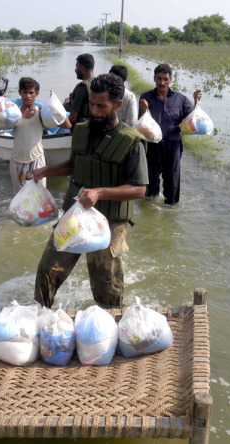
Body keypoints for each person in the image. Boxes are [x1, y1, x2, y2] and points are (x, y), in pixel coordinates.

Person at [27, 73, 148, 308]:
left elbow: (139, 189)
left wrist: (99, 193)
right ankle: (40, 318)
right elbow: (75, 165)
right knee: (47, 271)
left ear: (118, 105)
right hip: (76, 216)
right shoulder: (81, 130)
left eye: (101, 106)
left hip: (110, 222)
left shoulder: (131, 141)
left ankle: (109, 329)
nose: (94, 111)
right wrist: (45, 171)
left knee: (106, 285)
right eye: (92, 104)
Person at [0, 77, 71, 195]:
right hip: (16, 161)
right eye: (25, 92)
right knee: (20, 198)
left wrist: (55, 108)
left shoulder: (41, 113)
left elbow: (67, 125)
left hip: (36, 161)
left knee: (39, 197)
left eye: (31, 93)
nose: (28, 96)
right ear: (20, 93)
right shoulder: (13, 114)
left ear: (36, 94)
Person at [138, 64, 201, 205]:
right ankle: (149, 210)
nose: (162, 82)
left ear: (171, 80)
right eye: (159, 79)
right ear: (154, 78)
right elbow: (140, 123)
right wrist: (144, 110)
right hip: (152, 145)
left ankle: (170, 210)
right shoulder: (146, 97)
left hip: (173, 145)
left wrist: (196, 101)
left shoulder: (180, 99)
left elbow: (192, 118)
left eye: (165, 79)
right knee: (150, 183)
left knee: (172, 182)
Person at [63, 53, 95, 129]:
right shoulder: (99, 83)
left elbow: (73, 118)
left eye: (77, 67)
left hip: (83, 130)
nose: (75, 70)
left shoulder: (82, 88)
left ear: (82, 69)